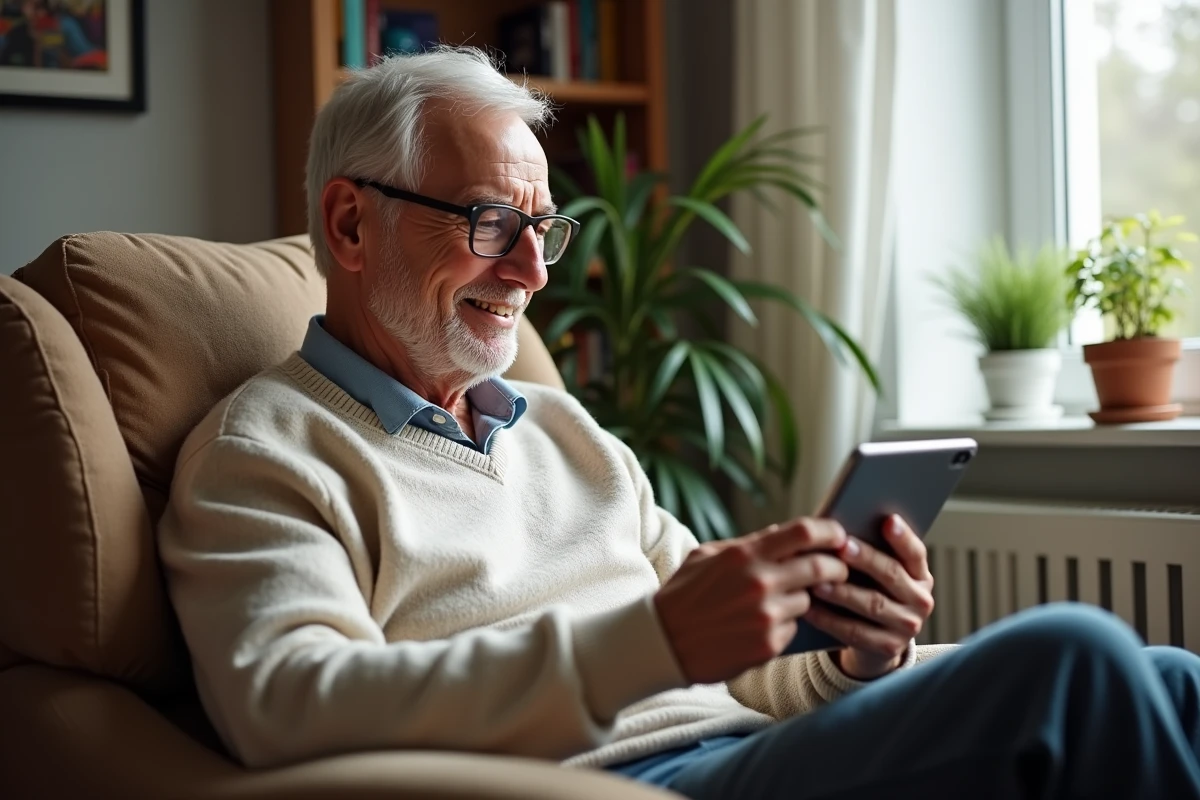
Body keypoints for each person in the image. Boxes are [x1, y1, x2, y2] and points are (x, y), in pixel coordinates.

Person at [158, 47, 1200, 799]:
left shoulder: (567, 434)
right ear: (350, 221)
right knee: (1078, 659)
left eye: (543, 230)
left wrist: (847, 648)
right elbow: (291, 699)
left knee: (1173, 678)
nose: (530, 272)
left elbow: (737, 658)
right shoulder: (265, 451)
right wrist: (649, 642)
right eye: (490, 224)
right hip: (630, 781)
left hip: (743, 741)